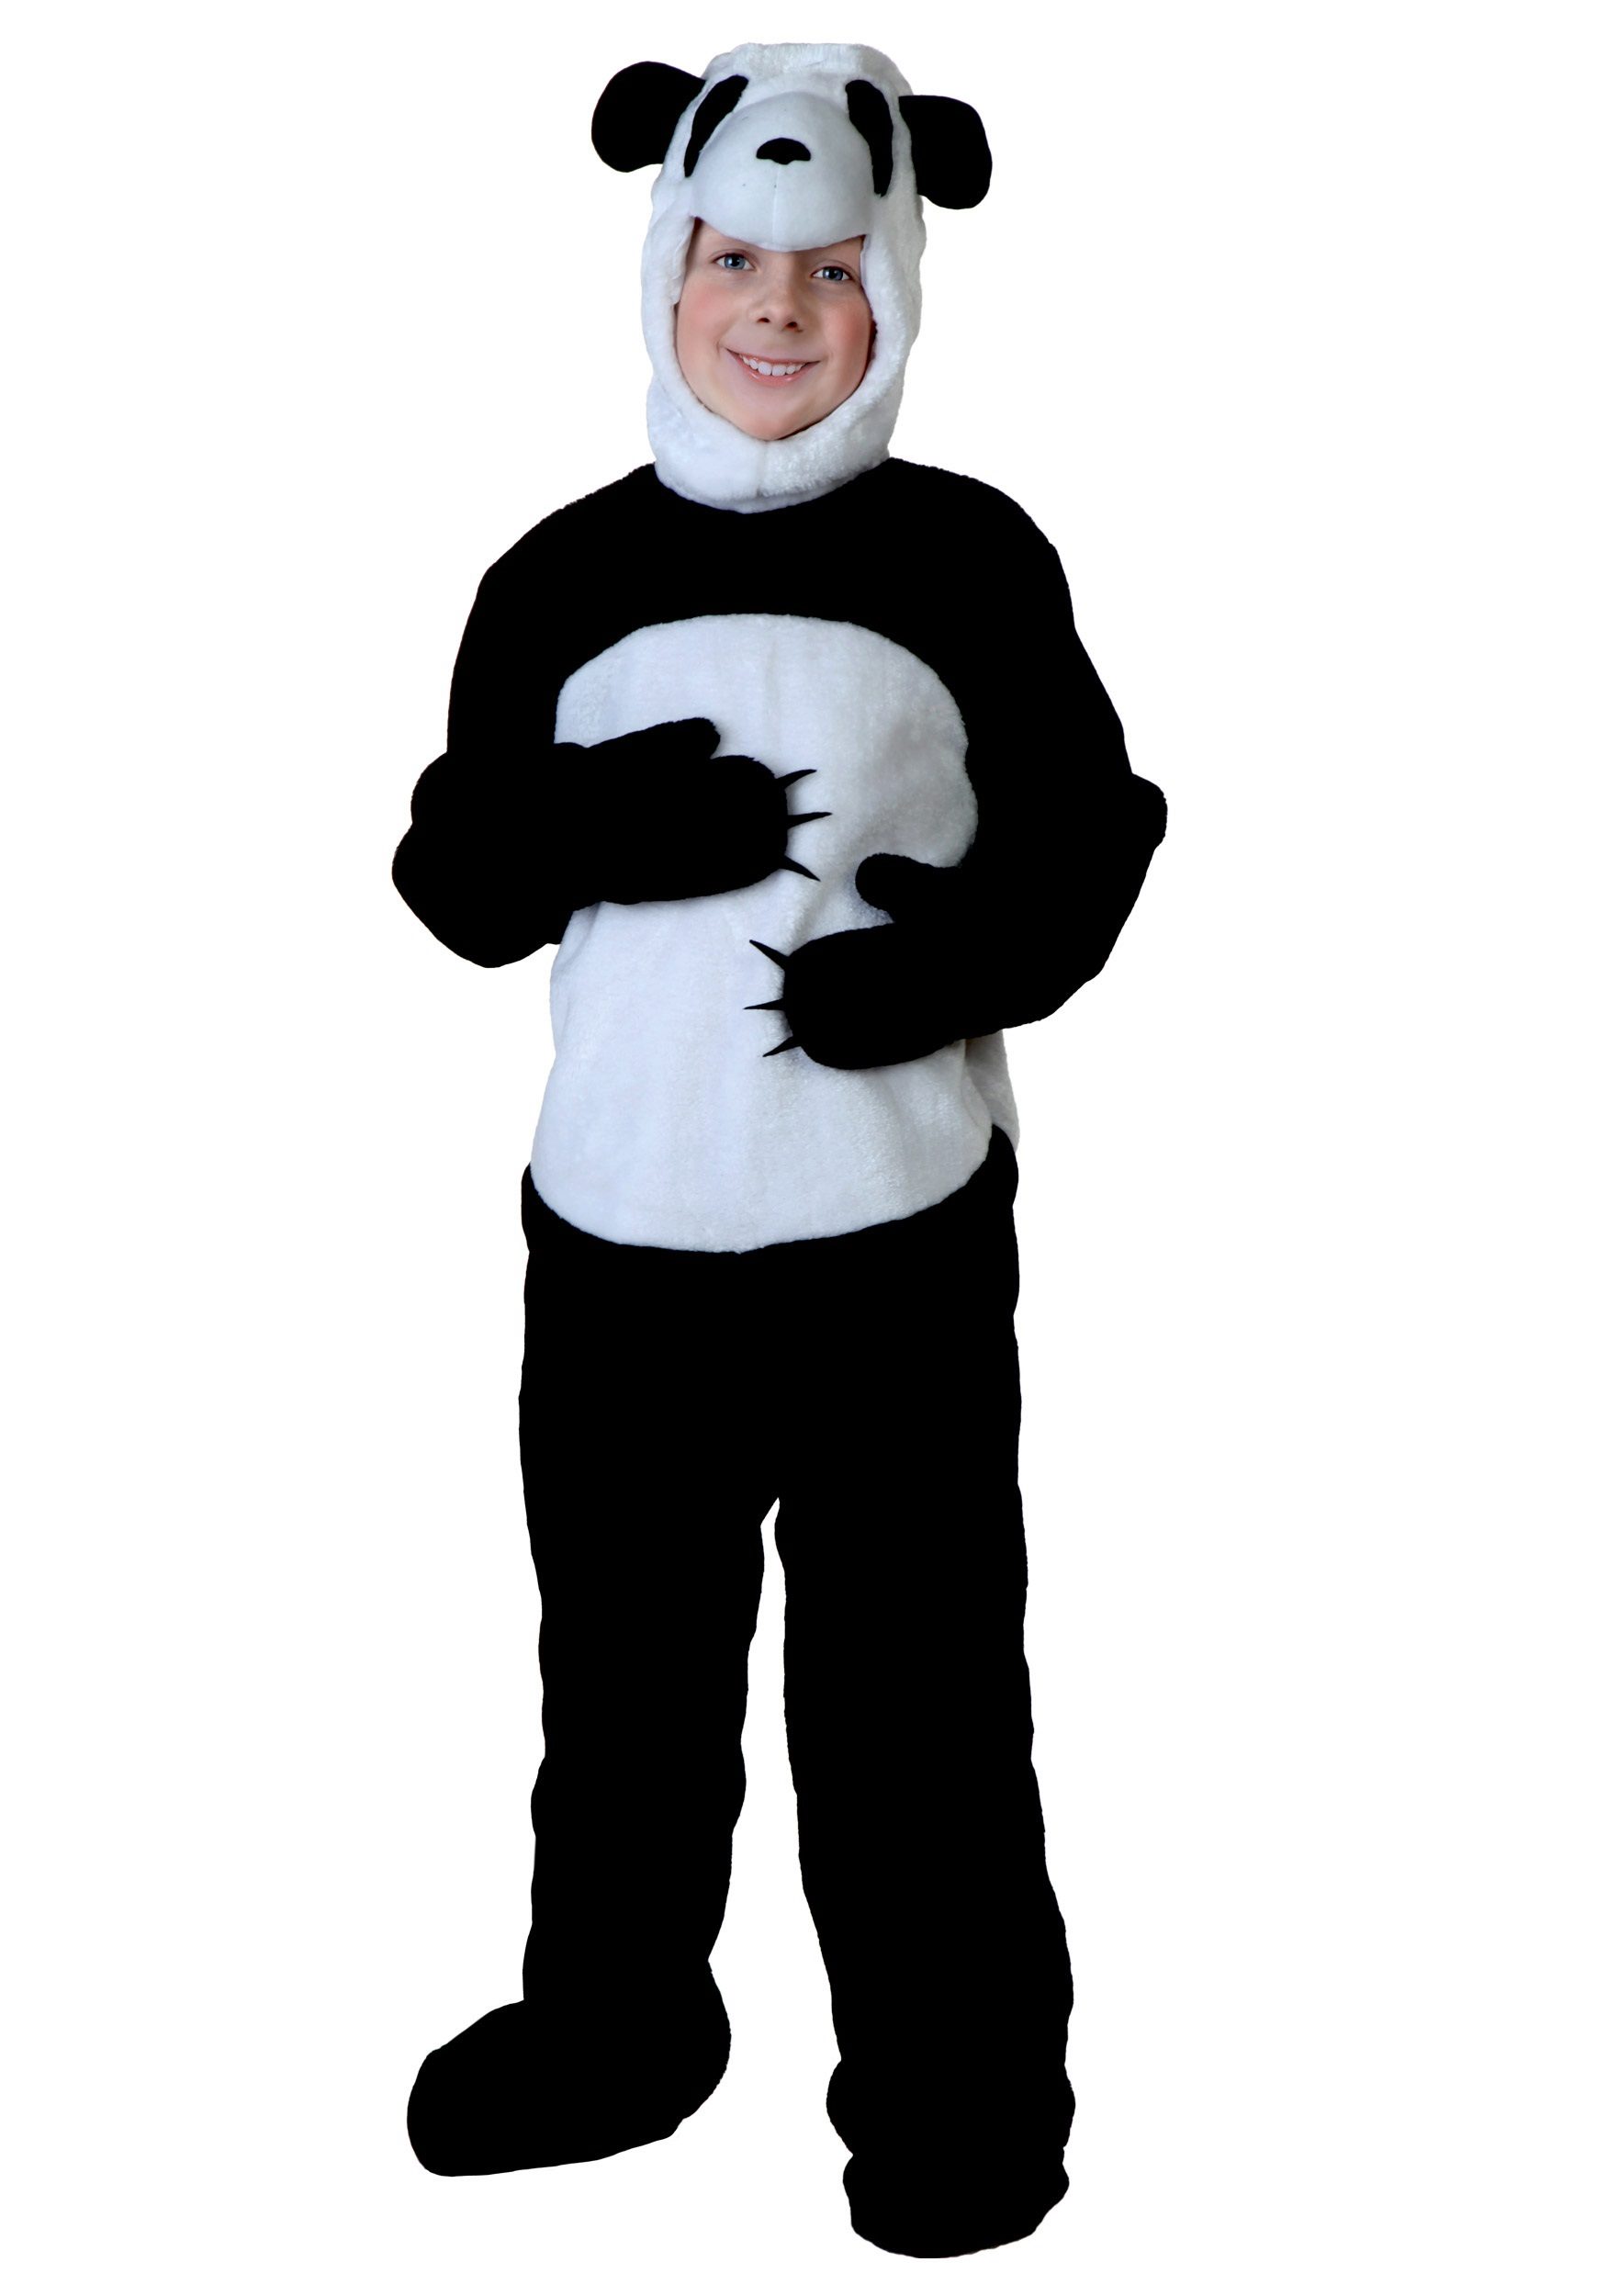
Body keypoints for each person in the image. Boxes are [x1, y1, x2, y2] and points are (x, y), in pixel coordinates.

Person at [393, 43, 1165, 2259]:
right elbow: (450, 876)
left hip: (889, 1253)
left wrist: (954, 967)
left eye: (829, 270)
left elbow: (1092, 837)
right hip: (616, 1243)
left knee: (915, 1699)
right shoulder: (554, 575)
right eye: (733, 257)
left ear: (895, 285)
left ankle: (957, 2091)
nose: (776, 309)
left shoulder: (972, 561)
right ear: (664, 264)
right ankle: (615, 2022)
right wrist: (580, 824)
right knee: (621, 1686)